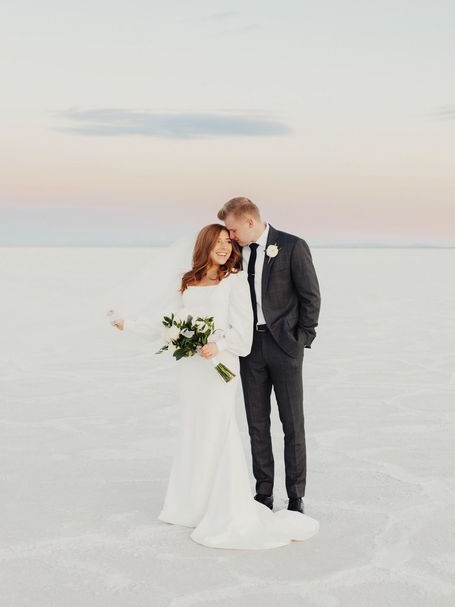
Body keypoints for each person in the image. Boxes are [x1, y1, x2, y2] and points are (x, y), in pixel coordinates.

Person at [110, 223, 319, 549]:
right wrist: (129, 325)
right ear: (204, 245)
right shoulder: (188, 281)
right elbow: (169, 320)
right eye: (217, 241)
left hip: (220, 364)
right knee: (194, 429)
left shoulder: (234, 281)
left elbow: (244, 332)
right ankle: (192, 504)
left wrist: (218, 346)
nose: (223, 246)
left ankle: (228, 502)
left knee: (219, 427)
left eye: (227, 241)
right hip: (191, 368)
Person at [217, 197, 321, 514]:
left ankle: (295, 496)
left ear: (250, 222)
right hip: (250, 349)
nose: (230, 237)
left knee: (292, 424)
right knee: (257, 423)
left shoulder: (291, 246)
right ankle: (263, 493)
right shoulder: (236, 254)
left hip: (285, 347)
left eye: (233, 229)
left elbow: (311, 296)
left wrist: (301, 339)